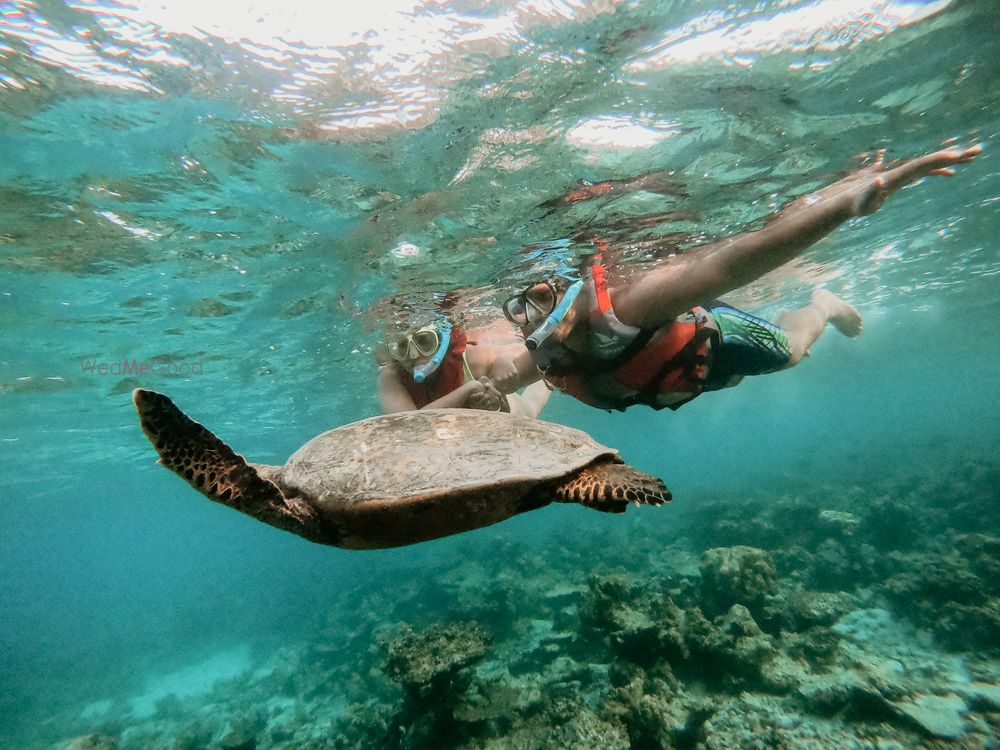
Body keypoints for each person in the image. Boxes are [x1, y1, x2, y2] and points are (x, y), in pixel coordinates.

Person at [496, 145, 981, 411]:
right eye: (516, 308)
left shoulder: (630, 307)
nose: (524, 318)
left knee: (791, 353)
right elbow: (504, 383)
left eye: (537, 297)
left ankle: (823, 303)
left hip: (714, 345)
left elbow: (734, 261)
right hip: (681, 379)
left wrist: (846, 205)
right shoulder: (549, 352)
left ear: (570, 288)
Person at [377, 318, 551, 417]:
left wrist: (506, 358)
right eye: (401, 347)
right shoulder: (390, 376)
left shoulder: (470, 358)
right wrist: (468, 390)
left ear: (442, 341)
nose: (413, 355)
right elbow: (408, 424)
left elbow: (521, 352)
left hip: (504, 412)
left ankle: (547, 384)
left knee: (530, 409)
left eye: (424, 341)